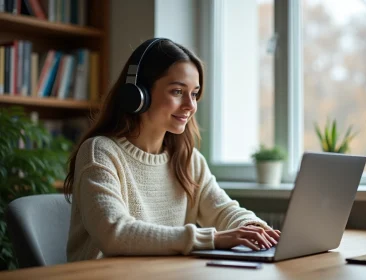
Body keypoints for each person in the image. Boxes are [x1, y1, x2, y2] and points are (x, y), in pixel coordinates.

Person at [64, 38, 281, 262]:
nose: (190, 105)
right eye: (178, 91)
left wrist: (258, 230)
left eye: (194, 93)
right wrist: (213, 239)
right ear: (138, 94)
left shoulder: (188, 159)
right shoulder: (100, 152)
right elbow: (115, 233)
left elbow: (223, 210)